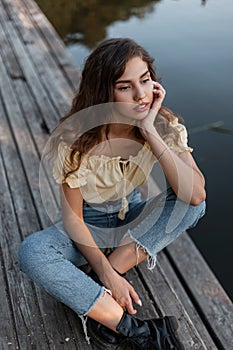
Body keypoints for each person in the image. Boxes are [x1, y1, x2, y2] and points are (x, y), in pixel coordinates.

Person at [18, 38, 206, 349]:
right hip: (87, 229)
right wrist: (108, 275)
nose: (141, 95)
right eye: (125, 87)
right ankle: (138, 331)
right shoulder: (74, 141)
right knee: (32, 252)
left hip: (131, 225)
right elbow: (74, 219)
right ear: (104, 91)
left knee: (190, 204)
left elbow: (196, 195)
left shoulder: (164, 124)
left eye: (145, 80)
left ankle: (92, 289)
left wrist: (150, 130)